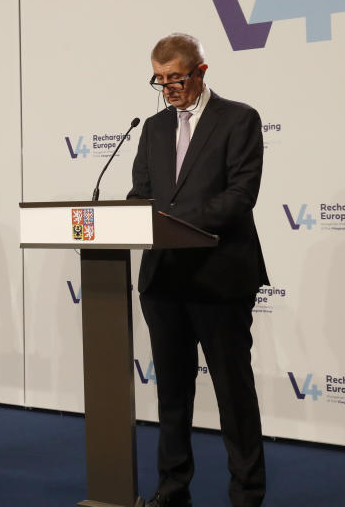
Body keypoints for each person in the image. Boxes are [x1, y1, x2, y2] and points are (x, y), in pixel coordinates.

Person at [128, 33, 268, 507]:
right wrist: (127, 218)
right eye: (160, 80)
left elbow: (239, 196)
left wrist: (175, 222)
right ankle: (172, 488)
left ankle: (246, 493)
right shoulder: (151, 128)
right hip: (164, 278)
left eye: (177, 79)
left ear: (201, 72)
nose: (168, 88)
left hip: (219, 275)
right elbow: (141, 192)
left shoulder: (239, 119)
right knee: (171, 392)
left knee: (233, 391)